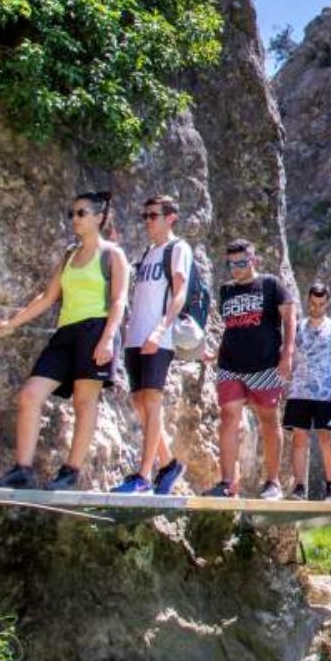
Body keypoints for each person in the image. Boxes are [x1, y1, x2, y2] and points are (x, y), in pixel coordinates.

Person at [0, 192, 129, 490]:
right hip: (66, 333)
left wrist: (108, 338)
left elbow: (119, 299)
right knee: (30, 395)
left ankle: (70, 473)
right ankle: (22, 470)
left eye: (81, 213)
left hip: (96, 330)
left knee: (84, 402)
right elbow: (48, 297)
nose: (74, 219)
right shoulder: (68, 255)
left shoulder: (113, 255)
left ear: (99, 217)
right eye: (72, 213)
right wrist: (11, 324)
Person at [110, 195, 192, 495]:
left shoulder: (177, 248)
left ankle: (144, 476)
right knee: (139, 401)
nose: (147, 221)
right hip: (135, 336)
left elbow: (180, 293)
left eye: (152, 215)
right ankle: (169, 464)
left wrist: (160, 329)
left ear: (170, 217)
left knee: (153, 400)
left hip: (158, 335)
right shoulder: (147, 252)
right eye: (144, 215)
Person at [205, 240, 295, 499]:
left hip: (265, 365)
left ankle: (273, 482)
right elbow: (231, 325)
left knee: (268, 419)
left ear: (253, 260)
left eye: (241, 263)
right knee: (228, 418)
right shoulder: (226, 290)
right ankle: (226, 484)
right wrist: (214, 352)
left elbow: (290, 318)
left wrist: (287, 354)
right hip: (230, 364)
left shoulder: (270, 285)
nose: (235, 268)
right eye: (231, 263)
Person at [284, 282, 331, 501]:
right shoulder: (299, 326)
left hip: (326, 391)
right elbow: (289, 355)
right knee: (299, 438)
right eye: (313, 303)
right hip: (299, 390)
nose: (317, 307)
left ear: (327, 302)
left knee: (326, 437)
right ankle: (300, 487)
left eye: (321, 303)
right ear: (307, 300)